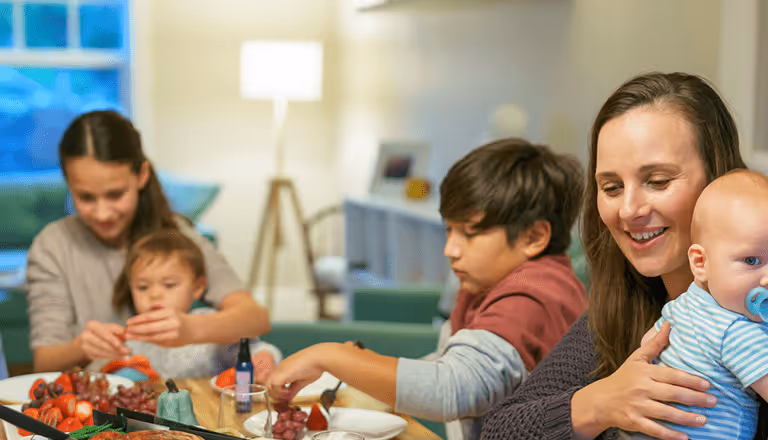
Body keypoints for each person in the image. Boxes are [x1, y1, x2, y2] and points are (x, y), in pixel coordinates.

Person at [481, 72, 768, 440]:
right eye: (612, 187)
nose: (629, 210)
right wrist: (598, 404)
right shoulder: (628, 308)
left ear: (717, 178)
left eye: (658, 181)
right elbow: (499, 430)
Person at [268, 138, 588, 440]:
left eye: (470, 233)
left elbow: (452, 388)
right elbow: (452, 360)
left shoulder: (530, 295)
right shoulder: (521, 279)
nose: (450, 249)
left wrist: (330, 355)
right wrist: (361, 372)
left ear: (533, 237)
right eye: (449, 230)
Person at [26, 110, 273, 375]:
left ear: (142, 175)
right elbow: (45, 362)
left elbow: (255, 318)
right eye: (86, 197)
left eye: (116, 194)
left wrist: (190, 329)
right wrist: (81, 347)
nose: (102, 212)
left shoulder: (176, 233)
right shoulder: (52, 246)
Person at [621, 170, 768, 439]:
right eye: (751, 261)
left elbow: (648, 344)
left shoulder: (683, 305)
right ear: (700, 263)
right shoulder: (737, 331)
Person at [101, 229, 282, 380]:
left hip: (209, 416)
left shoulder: (211, 324)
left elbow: (254, 349)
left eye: (169, 285)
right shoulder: (133, 335)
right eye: (142, 287)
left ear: (197, 286)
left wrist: (263, 359)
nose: (154, 294)